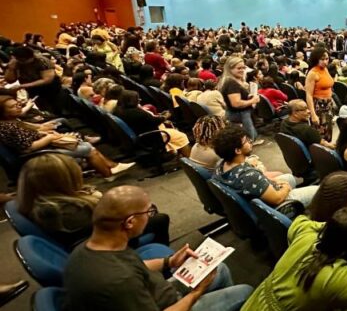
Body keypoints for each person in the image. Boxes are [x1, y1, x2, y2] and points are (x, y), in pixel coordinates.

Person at [62, 185, 253, 311]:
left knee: (219, 269)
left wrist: (169, 261)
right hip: (167, 305)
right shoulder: (119, 281)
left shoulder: (89, 248)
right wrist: (197, 293)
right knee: (245, 291)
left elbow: (135, 265)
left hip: (156, 293)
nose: (150, 216)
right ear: (130, 222)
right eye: (148, 212)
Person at [241, 206, 347, 311]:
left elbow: (300, 222)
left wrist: (339, 224)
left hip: (253, 304)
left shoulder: (306, 236)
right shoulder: (334, 277)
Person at [17, 153, 170, 247]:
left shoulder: (38, 200)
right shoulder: (70, 212)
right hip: (113, 245)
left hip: (92, 240)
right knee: (159, 217)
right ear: (62, 180)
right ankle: (163, 263)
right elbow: (111, 228)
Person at [0, 95, 133, 178]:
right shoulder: (8, 127)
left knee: (84, 144)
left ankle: (112, 166)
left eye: (17, 104)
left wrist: (45, 133)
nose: (18, 107)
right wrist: (50, 137)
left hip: (45, 145)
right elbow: (27, 148)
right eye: (13, 107)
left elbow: (31, 133)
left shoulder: (13, 120)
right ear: (3, 112)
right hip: (37, 154)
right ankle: (108, 173)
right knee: (87, 148)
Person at [213, 126, 317, 206]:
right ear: (237, 150)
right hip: (275, 206)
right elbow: (277, 199)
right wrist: (285, 188)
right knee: (319, 191)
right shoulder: (249, 176)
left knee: (290, 178)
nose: (250, 142)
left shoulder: (220, 166)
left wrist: (272, 181)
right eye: (246, 141)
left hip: (257, 197)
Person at [113, 90, 191, 157]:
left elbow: (148, 120)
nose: (140, 100)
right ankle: (190, 161)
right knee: (181, 136)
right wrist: (165, 117)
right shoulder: (137, 113)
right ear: (132, 101)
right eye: (137, 99)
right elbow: (154, 121)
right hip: (149, 138)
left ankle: (173, 154)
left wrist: (160, 116)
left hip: (138, 134)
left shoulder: (118, 110)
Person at [218, 57, 263, 145]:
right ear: (230, 69)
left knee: (251, 136)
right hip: (240, 114)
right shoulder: (231, 83)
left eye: (243, 67)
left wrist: (248, 97)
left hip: (242, 113)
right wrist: (253, 100)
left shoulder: (232, 80)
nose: (242, 70)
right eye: (239, 68)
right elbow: (236, 103)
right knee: (248, 139)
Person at [4, 46, 62, 112]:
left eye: (24, 61)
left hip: (49, 87)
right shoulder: (16, 62)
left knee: (53, 106)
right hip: (31, 88)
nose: (22, 62)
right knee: (41, 106)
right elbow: (10, 80)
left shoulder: (42, 61)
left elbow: (47, 80)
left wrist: (22, 86)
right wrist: (11, 68)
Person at [305, 47, 335, 143]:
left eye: (327, 59)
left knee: (328, 132)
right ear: (316, 59)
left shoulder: (325, 69)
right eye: (322, 59)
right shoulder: (312, 73)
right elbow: (309, 95)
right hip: (318, 106)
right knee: (320, 135)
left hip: (328, 105)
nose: (325, 62)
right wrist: (313, 114)